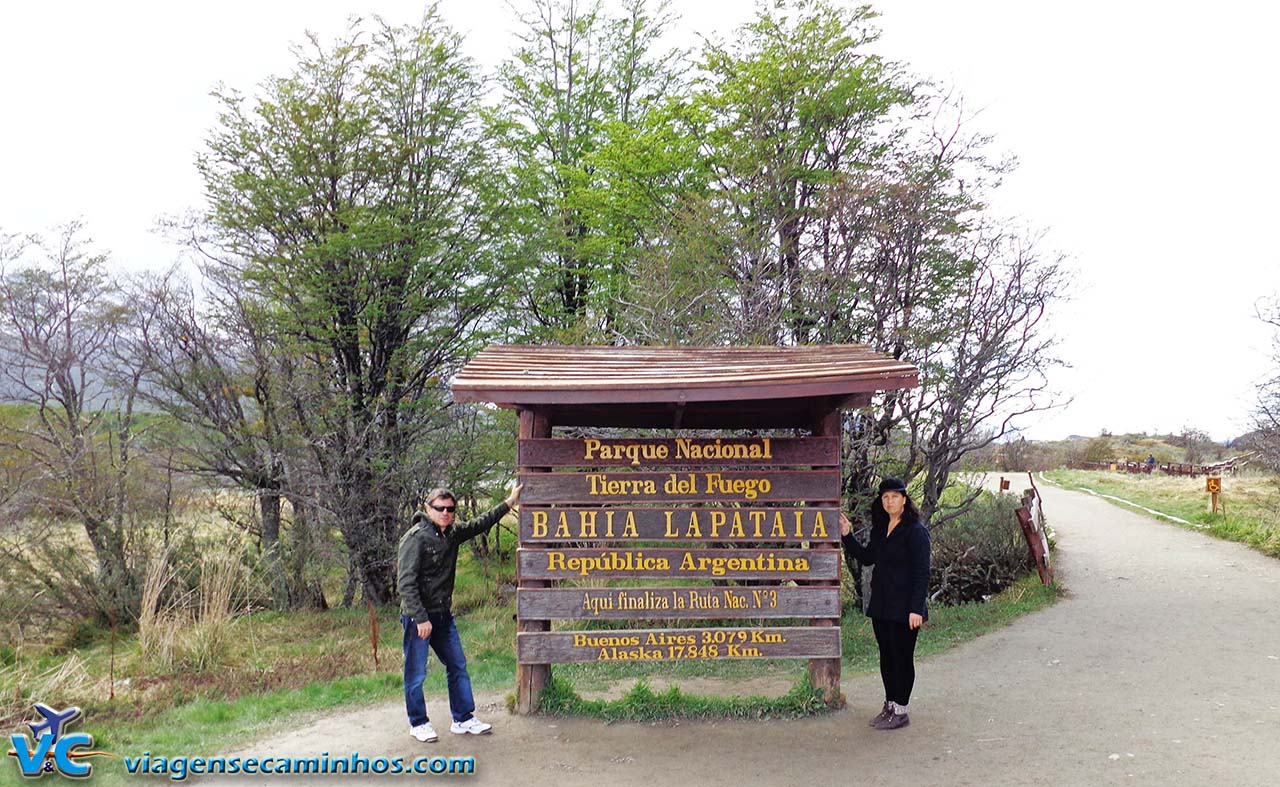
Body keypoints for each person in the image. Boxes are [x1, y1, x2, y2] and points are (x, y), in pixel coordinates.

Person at [397, 483, 521, 742]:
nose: (445, 513)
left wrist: (509, 502)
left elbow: (480, 523)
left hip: (443, 615)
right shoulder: (415, 538)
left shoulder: (451, 534)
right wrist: (420, 618)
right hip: (418, 617)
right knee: (416, 672)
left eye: (450, 509)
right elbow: (406, 583)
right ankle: (418, 723)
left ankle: (463, 718)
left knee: (457, 665)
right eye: (439, 508)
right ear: (427, 508)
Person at [839, 476, 931, 731]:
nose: (889, 501)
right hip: (882, 605)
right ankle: (890, 705)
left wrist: (916, 609)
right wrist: (847, 536)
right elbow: (868, 558)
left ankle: (901, 710)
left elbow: (923, 572)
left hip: (906, 609)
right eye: (885, 497)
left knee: (902, 658)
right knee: (887, 657)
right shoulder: (881, 529)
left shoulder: (916, 531)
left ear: (904, 499)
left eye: (894, 496)